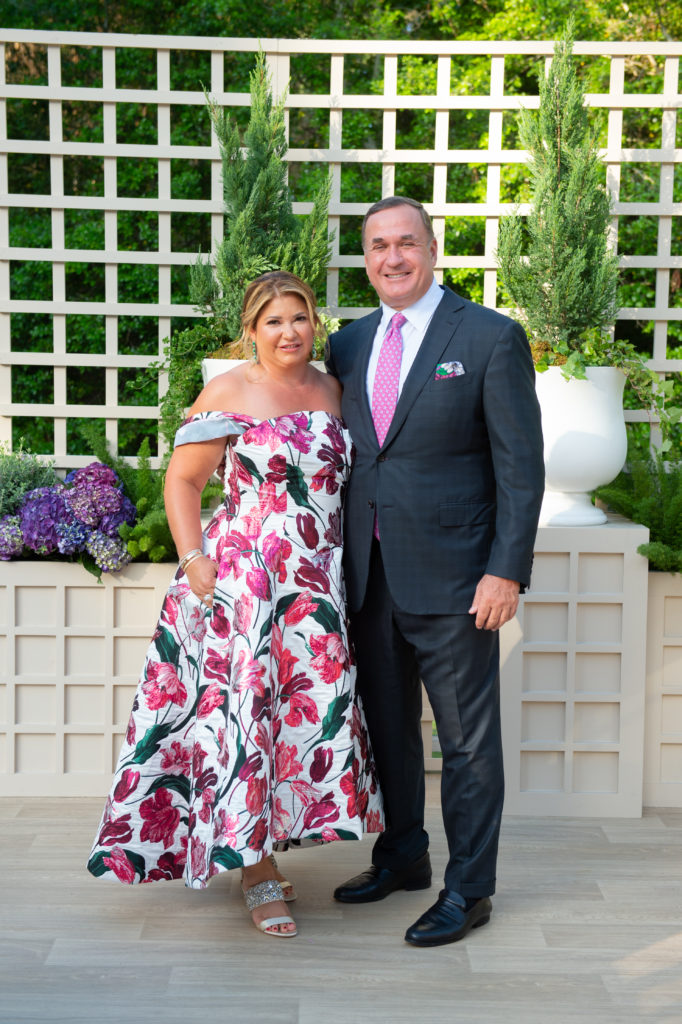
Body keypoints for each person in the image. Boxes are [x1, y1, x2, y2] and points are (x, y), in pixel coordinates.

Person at [87, 271, 383, 939]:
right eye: (274, 321)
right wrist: (195, 561)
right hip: (245, 585)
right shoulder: (228, 390)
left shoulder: (333, 391)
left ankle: (266, 846)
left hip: (315, 589)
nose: (289, 332)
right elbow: (183, 481)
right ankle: (255, 871)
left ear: (316, 324)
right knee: (245, 720)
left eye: (300, 318)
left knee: (293, 722)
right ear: (251, 330)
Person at [325, 197, 544, 947]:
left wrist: (506, 570)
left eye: (406, 243)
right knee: (387, 730)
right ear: (366, 258)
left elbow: (522, 468)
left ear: (432, 248)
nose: (393, 257)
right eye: (379, 245)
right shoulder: (347, 344)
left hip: (458, 579)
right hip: (367, 574)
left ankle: (470, 890)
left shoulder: (489, 337)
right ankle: (403, 857)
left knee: (467, 744)